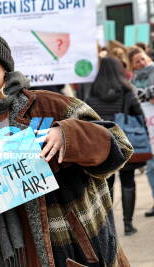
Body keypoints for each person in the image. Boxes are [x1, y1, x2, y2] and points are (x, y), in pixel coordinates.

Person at [0, 30, 132, 267]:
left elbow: (120, 146)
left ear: (4, 68)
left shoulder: (47, 104)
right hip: (12, 259)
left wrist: (69, 135)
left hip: (73, 252)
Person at [86, 57, 143, 235]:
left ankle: (109, 227)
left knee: (105, 184)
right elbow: (139, 114)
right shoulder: (127, 91)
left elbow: (86, 118)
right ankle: (128, 225)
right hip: (124, 140)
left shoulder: (92, 92)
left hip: (100, 144)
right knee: (128, 181)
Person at [128, 47, 154, 217]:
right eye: (137, 61)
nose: (141, 63)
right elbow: (134, 100)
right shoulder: (133, 82)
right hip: (147, 130)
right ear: (132, 65)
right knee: (151, 168)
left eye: (142, 58)